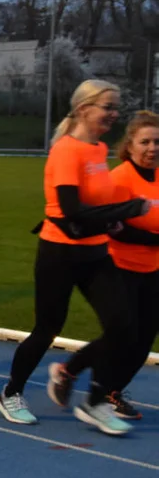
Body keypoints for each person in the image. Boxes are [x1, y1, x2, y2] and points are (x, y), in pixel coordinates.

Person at [0, 80, 145, 435]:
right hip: (59, 253)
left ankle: (94, 401)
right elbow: (70, 210)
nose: (113, 113)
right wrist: (127, 210)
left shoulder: (98, 149)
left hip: (96, 252)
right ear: (83, 110)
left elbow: (98, 206)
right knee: (47, 329)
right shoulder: (66, 150)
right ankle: (11, 393)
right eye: (107, 106)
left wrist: (114, 217)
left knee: (124, 325)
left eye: (115, 107)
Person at [49, 110, 159, 421]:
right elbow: (117, 227)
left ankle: (112, 391)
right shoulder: (120, 178)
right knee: (121, 333)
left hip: (152, 269)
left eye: (157, 142)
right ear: (131, 145)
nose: (152, 148)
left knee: (143, 340)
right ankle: (71, 370)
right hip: (119, 264)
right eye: (145, 142)